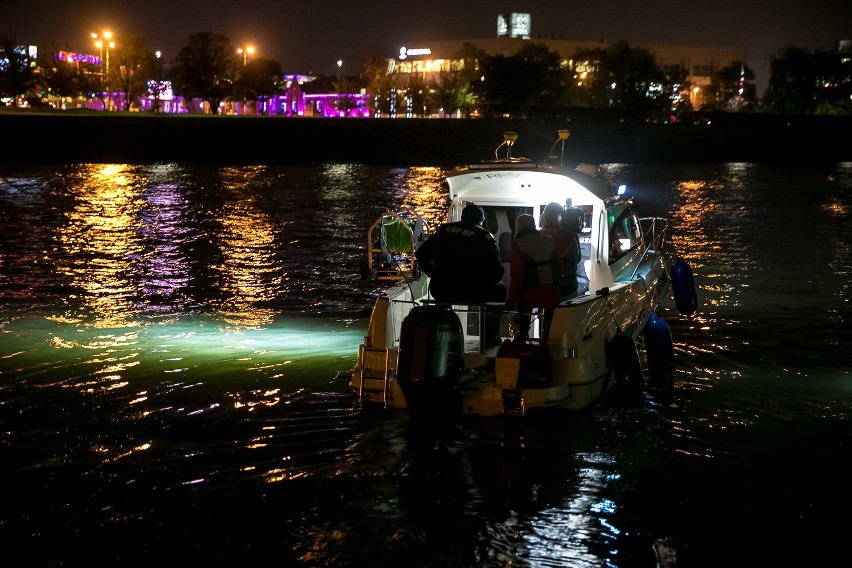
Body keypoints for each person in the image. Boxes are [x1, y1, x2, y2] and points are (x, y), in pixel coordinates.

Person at [415, 203, 506, 304]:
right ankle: (487, 319)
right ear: (481, 221)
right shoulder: (483, 236)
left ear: (462, 217)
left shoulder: (444, 230)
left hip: (441, 289)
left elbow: (421, 254)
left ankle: (442, 316)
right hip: (470, 291)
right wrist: (482, 284)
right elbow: (497, 270)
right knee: (501, 289)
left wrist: (434, 274)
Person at [539, 201, 581, 300]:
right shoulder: (570, 235)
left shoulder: (536, 235)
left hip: (545, 286)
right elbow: (577, 259)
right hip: (568, 286)